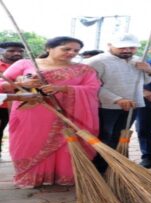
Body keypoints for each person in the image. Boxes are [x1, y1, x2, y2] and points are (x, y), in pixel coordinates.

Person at [0, 36, 100, 188]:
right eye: (66, 49)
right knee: (30, 143)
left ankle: (63, 176)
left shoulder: (84, 69)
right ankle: (32, 177)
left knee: (67, 146)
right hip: (31, 113)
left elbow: (93, 88)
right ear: (48, 48)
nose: (71, 53)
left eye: (76, 51)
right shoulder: (26, 63)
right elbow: (2, 83)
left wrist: (63, 88)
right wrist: (22, 83)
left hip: (68, 115)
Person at [84, 33, 151, 173]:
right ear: (110, 45)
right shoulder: (96, 61)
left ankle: (117, 166)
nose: (127, 50)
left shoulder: (138, 60)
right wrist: (117, 99)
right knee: (104, 136)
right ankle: (99, 168)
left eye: (131, 47)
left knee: (121, 136)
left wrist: (149, 71)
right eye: (122, 47)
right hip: (105, 105)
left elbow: (146, 81)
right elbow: (92, 86)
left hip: (133, 104)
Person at [0, 42, 25, 156]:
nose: (17, 53)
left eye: (20, 51)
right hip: (2, 106)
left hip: (24, 106)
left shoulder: (28, 66)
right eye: (11, 51)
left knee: (22, 133)